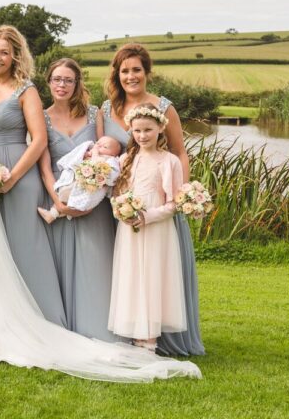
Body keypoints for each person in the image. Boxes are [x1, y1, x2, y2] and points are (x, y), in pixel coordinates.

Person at [0, 36, 201, 383]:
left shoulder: (56, 101)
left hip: (19, 176)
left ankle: (85, 326)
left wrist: (176, 190)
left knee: (28, 252)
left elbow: (61, 146)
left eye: (4, 52)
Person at [102, 43, 205, 356]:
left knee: (157, 269)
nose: (131, 76)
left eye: (136, 70)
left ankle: (157, 337)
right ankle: (131, 331)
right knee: (129, 270)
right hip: (122, 196)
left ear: (146, 72)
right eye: (125, 71)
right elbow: (103, 152)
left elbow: (179, 152)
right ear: (117, 75)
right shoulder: (106, 109)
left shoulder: (163, 106)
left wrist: (180, 196)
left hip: (157, 201)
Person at [0, 26, 66, 326]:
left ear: (15, 57)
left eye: (4, 52)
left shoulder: (26, 90)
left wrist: (12, 178)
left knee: (24, 247)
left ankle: (42, 320)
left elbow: (38, 140)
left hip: (19, 174)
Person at [37, 58, 120, 342]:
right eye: (57, 79)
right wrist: (57, 202)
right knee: (61, 266)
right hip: (61, 197)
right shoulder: (42, 116)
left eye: (68, 80)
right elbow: (44, 165)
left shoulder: (94, 113)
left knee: (95, 264)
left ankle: (98, 329)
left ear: (77, 84)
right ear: (49, 82)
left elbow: (107, 156)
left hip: (93, 203)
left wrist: (96, 191)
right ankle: (65, 331)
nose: (62, 85)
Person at [108, 104, 187, 353]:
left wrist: (148, 216)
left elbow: (174, 202)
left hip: (156, 229)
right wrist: (122, 212)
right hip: (129, 229)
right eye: (137, 130)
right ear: (131, 131)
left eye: (148, 130)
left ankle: (150, 339)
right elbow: (116, 195)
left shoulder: (169, 161)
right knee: (133, 275)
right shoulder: (126, 160)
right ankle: (135, 335)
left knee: (152, 275)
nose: (142, 136)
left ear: (161, 129)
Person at [38, 135, 121, 224]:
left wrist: (95, 154)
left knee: (78, 201)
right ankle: (53, 214)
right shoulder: (88, 152)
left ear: (113, 154)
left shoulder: (110, 160)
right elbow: (77, 160)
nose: (98, 146)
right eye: (98, 143)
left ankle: (53, 214)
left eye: (105, 147)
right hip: (76, 182)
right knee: (64, 195)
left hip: (90, 189)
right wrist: (85, 155)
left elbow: (112, 175)